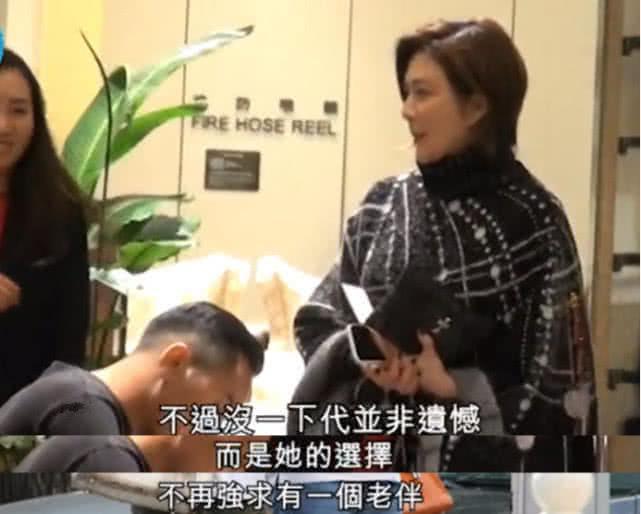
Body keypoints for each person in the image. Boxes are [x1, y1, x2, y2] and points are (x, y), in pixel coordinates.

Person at [291, 18, 597, 470]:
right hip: (369, 467)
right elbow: (320, 317)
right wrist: (364, 353)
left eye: (422, 93)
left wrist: (457, 389)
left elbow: (560, 387)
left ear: (476, 106)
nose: (406, 109)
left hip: (477, 482)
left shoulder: (534, 220)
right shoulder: (382, 204)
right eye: (406, 92)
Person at [0, 301, 265, 435]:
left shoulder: (79, 396)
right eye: (222, 406)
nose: (214, 424)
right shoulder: (84, 415)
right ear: (176, 360)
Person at [0, 48, 90, 405]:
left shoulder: (61, 211)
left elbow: (70, 339)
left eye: (18, 110)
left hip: (26, 412)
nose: (4, 126)